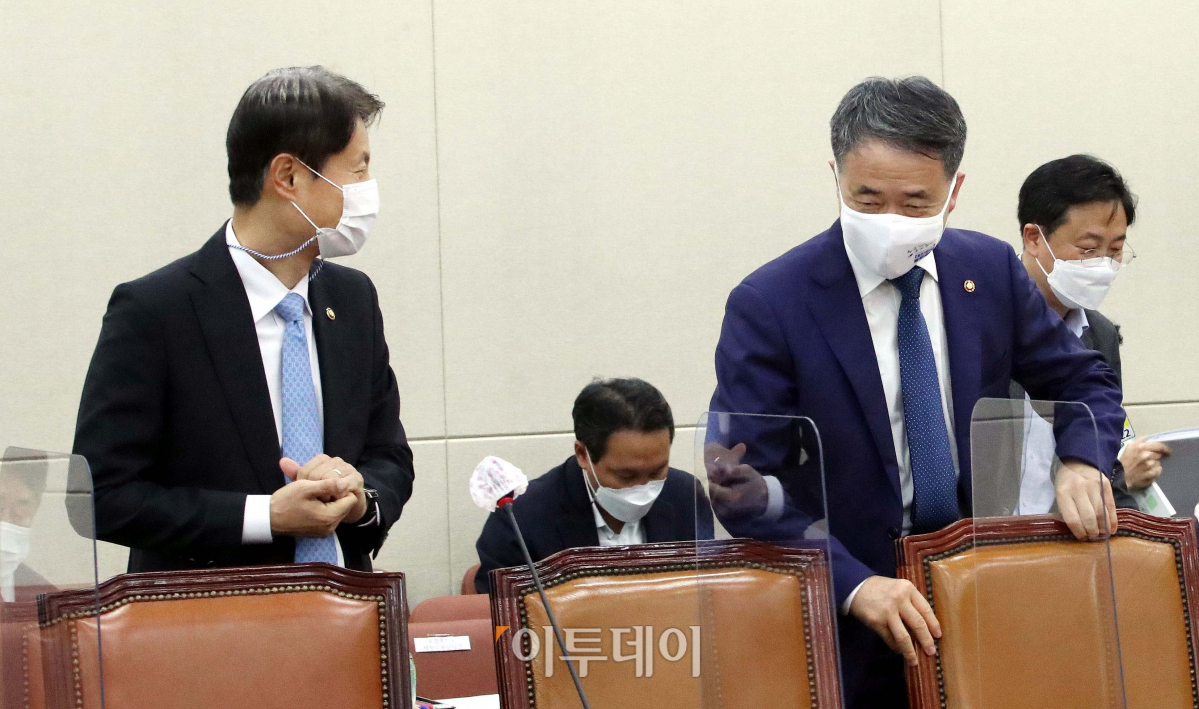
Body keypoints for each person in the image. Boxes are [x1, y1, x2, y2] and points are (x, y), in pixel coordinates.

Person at [707, 76, 1125, 708]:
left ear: (954, 192)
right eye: (868, 199)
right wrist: (853, 585)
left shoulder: (988, 272)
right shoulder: (771, 302)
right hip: (844, 622)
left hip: (979, 593)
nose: (890, 221)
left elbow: (1083, 379)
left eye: (915, 202)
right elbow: (738, 483)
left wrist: (1081, 460)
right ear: (836, 177)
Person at [73, 66, 414, 573]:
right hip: (210, 612)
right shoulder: (156, 310)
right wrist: (264, 516)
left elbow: (390, 456)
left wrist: (359, 497)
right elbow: (102, 496)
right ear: (288, 176)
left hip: (346, 605)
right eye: (358, 169)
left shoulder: (353, 299)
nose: (368, 188)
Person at [1016, 155, 1166, 509]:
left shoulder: (1101, 334)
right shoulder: (985, 319)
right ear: (1034, 238)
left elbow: (1104, 451)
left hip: (1069, 530)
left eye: (1115, 250)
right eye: (1088, 249)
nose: (1103, 265)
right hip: (982, 528)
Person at [474, 378, 714, 594]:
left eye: (656, 472)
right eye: (626, 476)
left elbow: (708, 596)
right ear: (582, 454)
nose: (643, 487)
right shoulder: (520, 518)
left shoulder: (686, 496)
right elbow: (500, 619)